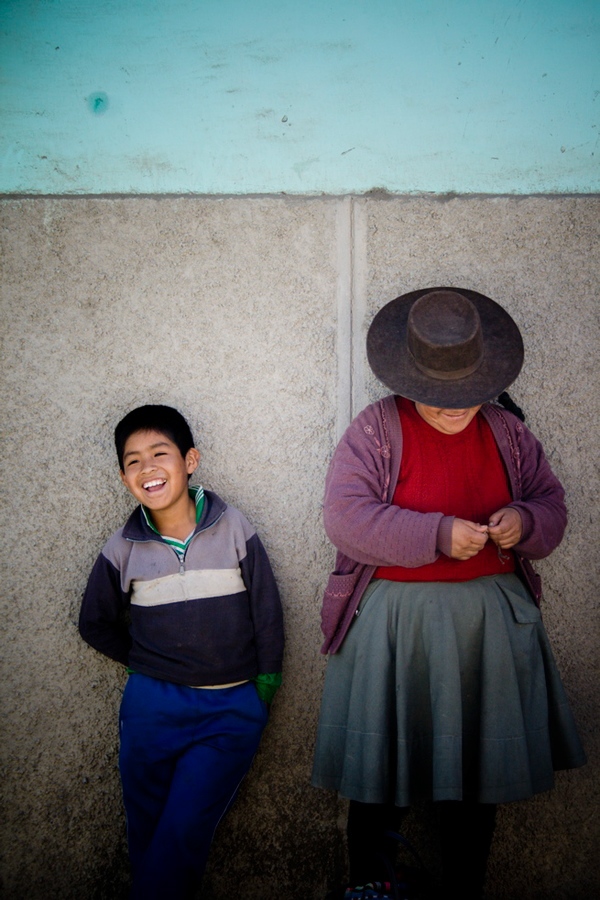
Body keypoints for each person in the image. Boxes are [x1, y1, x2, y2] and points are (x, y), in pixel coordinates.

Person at [311, 288, 585, 899]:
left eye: (467, 391)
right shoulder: (375, 429)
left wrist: (524, 519)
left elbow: (553, 506)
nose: (455, 406)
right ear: (408, 377)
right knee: (380, 784)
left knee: (477, 781)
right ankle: (370, 888)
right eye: (439, 394)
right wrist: (435, 533)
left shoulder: (508, 431)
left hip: (486, 635)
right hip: (394, 634)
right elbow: (345, 518)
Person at [79, 405, 284, 899]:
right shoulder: (123, 547)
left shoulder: (232, 526)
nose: (147, 468)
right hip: (152, 710)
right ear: (123, 476)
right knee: (148, 833)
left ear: (190, 460)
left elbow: (268, 610)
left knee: (183, 831)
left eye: (159, 453)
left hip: (229, 710)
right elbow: (94, 623)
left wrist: (264, 687)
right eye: (133, 461)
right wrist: (146, 663)